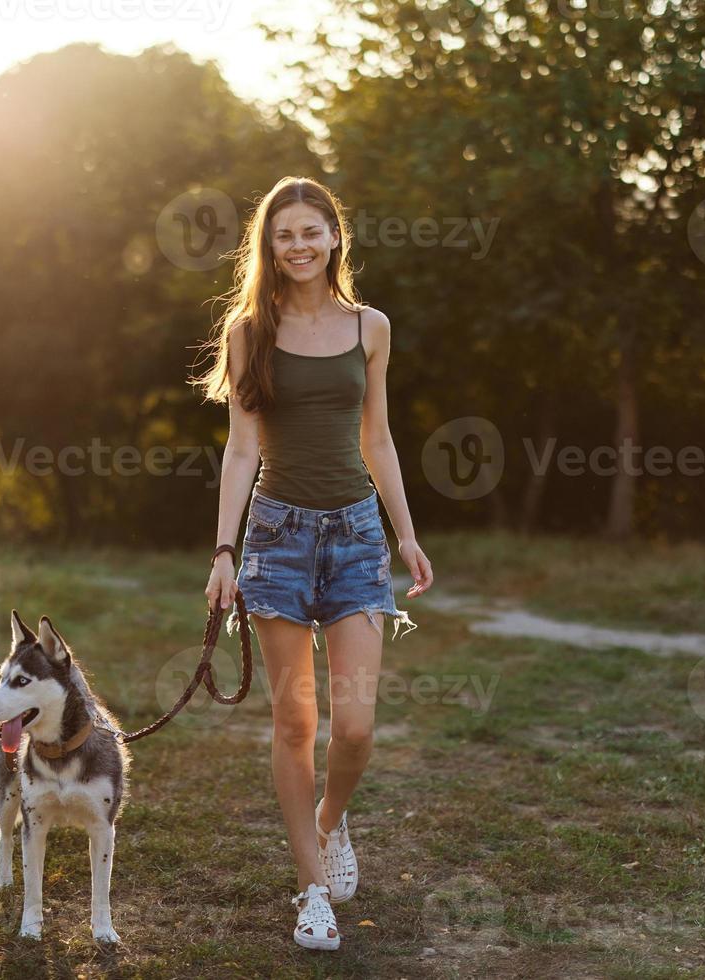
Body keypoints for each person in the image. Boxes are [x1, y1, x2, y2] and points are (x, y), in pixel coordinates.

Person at [192, 176, 434, 951]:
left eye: (311, 232)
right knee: (296, 721)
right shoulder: (247, 332)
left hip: (358, 537)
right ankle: (311, 892)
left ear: (335, 238)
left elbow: (380, 439)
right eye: (283, 234)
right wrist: (225, 550)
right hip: (277, 538)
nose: (298, 246)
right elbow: (240, 448)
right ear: (268, 245)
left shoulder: (371, 327)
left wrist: (406, 534)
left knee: (355, 728)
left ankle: (328, 823)